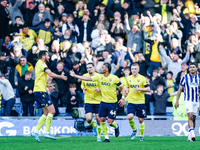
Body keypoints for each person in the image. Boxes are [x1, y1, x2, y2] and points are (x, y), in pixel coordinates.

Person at [70, 62, 125, 142]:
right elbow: (87, 79)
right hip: (102, 102)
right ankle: (106, 138)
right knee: (101, 119)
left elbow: (122, 88)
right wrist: (75, 75)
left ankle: (116, 127)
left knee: (109, 122)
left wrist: (122, 98)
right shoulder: (99, 76)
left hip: (112, 103)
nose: (100, 69)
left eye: (102, 67)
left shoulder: (114, 78)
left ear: (107, 69)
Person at [31, 51, 67, 142]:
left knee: (46, 112)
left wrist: (47, 85)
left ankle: (35, 131)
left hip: (39, 90)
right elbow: (50, 74)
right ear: (43, 57)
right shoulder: (41, 64)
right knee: (52, 110)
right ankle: (47, 132)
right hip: (40, 91)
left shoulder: (39, 64)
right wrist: (61, 77)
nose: (49, 57)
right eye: (47, 55)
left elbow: (39, 78)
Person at [175, 63, 200, 141]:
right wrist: (177, 101)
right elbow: (179, 90)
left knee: (194, 118)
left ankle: (190, 135)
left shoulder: (199, 78)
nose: (192, 68)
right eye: (191, 67)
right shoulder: (185, 78)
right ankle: (192, 134)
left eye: (193, 67)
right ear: (188, 69)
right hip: (188, 100)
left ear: (196, 69)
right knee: (190, 116)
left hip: (196, 100)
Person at [126, 63, 150, 141]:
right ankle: (134, 130)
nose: (134, 70)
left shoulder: (142, 78)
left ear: (138, 70)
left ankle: (142, 136)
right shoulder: (128, 78)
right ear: (131, 70)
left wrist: (139, 89)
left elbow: (148, 89)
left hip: (140, 102)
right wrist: (126, 93)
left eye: (135, 69)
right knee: (130, 117)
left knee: (140, 120)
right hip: (131, 101)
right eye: (132, 69)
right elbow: (127, 87)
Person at [81, 63, 102, 141]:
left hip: (98, 101)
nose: (89, 69)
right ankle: (94, 126)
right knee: (89, 119)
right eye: (87, 68)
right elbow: (82, 85)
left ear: (93, 68)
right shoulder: (84, 75)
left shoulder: (98, 76)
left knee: (98, 118)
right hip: (88, 100)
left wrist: (99, 89)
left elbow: (102, 87)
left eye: (90, 67)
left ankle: (99, 136)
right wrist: (83, 88)